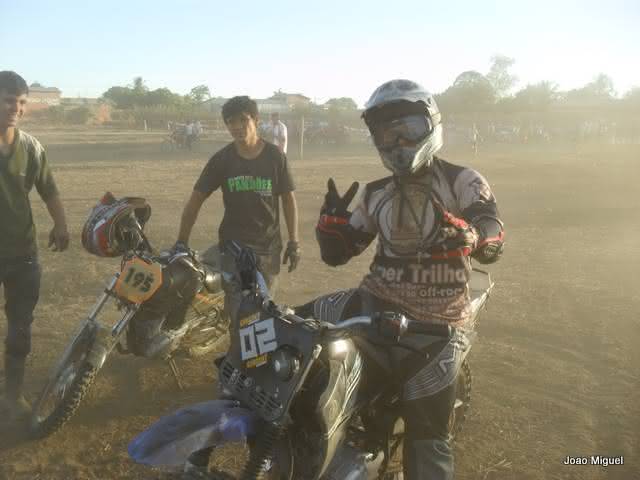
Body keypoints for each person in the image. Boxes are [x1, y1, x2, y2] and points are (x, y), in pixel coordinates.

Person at [304, 79, 504, 479]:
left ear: (431, 126)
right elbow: (339, 255)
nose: (397, 143)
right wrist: (330, 228)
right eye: (386, 133)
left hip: (437, 321)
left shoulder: (462, 180)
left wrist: (473, 235)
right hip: (374, 303)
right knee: (292, 330)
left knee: (427, 440)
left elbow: (492, 231)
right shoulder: (376, 192)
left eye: (408, 130)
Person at [174, 96, 300, 324]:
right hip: (233, 247)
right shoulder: (222, 160)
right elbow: (195, 200)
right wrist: (181, 242)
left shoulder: (275, 157)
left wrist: (294, 242)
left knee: (261, 313)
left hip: (268, 249)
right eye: (231, 122)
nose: (237, 127)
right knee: (239, 314)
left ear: (256, 120)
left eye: (243, 120)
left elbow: (288, 201)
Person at [0, 71, 70, 420]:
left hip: (22, 253)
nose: (16, 108)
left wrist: (61, 224)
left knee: (20, 327)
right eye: (9, 100)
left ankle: (12, 394)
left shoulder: (30, 148)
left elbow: (49, 189)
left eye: (22, 102)